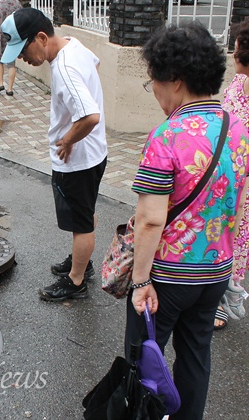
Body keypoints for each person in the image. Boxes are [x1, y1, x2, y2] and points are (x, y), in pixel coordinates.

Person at [125, 21, 249, 419]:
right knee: (196, 355)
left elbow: (149, 220)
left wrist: (141, 280)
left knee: (143, 357)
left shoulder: (167, 135)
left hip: (167, 276)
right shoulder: (240, 130)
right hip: (215, 271)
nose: (155, 92)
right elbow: (237, 207)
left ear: (175, 80)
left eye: (154, 82)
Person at [0, 8, 107, 301]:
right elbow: (94, 67)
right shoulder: (73, 44)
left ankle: (76, 281)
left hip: (79, 159)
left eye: (23, 51)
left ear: (42, 37)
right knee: (84, 214)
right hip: (95, 153)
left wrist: (67, 140)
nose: (23, 59)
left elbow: (90, 116)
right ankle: (80, 261)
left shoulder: (64, 68)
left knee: (81, 222)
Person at [216, 19, 249, 330]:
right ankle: (230, 290)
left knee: (230, 235)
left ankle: (224, 296)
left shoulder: (237, 87)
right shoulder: (238, 86)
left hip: (238, 180)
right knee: (238, 239)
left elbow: (228, 138)